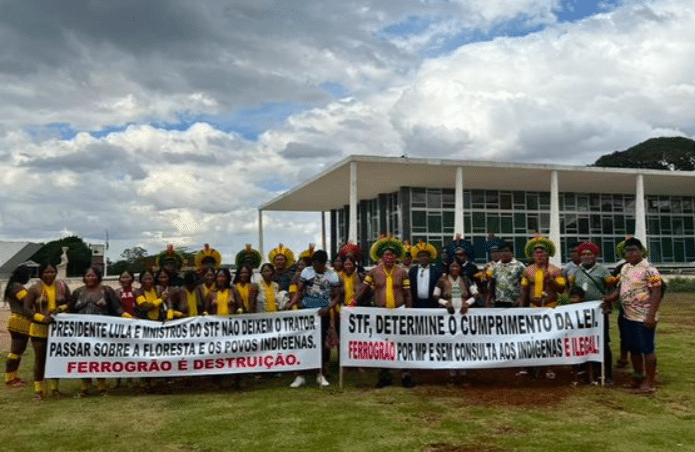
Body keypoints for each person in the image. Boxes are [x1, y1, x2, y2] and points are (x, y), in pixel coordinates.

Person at [603, 237, 663, 394]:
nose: (631, 253)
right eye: (628, 251)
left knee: (647, 349)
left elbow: (657, 292)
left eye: (634, 250)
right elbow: (620, 288)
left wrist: (651, 315)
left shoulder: (649, 269)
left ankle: (649, 382)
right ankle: (637, 377)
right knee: (633, 349)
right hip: (627, 316)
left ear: (641, 251)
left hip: (643, 317)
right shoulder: (625, 268)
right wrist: (609, 299)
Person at [355, 236, 414, 388]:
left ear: (396, 257)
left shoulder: (402, 272)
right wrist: (352, 302)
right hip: (381, 313)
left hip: (399, 312)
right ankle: (384, 375)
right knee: (383, 344)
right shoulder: (373, 272)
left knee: (402, 343)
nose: (390, 257)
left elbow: (407, 294)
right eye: (387, 254)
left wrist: (409, 312)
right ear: (381, 256)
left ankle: (405, 374)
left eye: (392, 255)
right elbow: (363, 288)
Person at [286, 250, 342, 388]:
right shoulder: (306, 272)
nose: (317, 267)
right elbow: (299, 291)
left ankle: (320, 374)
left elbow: (337, 296)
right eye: (315, 264)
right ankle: (300, 375)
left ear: (324, 263)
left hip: (323, 313)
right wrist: (291, 303)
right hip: (306, 312)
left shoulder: (332, 275)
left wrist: (328, 308)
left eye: (320, 265)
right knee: (303, 342)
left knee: (321, 343)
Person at [69, 267, 126, 396]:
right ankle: (84, 386)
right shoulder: (77, 292)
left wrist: (129, 318)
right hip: (81, 333)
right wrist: (58, 313)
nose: (90, 278)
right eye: (88, 276)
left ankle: (101, 386)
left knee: (100, 359)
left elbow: (117, 309)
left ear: (98, 277)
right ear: (84, 277)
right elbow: (70, 309)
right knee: (83, 360)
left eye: (93, 275)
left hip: (101, 333)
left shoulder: (106, 291)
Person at [571, 241, 618, 384]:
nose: (586, 256)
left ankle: (607, 374)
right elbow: (572, 290)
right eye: (583, 254)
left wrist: (608, 301)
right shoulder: (576, 272)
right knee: (583, 342)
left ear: (595, 255)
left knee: (602, 342)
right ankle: (586, 372)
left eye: (589, 254)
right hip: (581, 314)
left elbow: (614, 287)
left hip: (598, 313)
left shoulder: (602, 271)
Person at [520, 236, 565, 379]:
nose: (539, 256)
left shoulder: (556, 270)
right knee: (531, 338)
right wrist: (521, 310)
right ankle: (529, 366)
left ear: (548, 255)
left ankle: (549, 367)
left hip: (550, 309)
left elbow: (562, 289)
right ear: (532, 255)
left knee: (550, 339)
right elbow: (524, 292)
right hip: (533, 308)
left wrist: (551, 280)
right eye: (536, 253)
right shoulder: (528, 271)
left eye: (542, 253)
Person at [24, 262, 71, 399]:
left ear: (56, 273)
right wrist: (41, 318)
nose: (49, 275)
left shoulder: (62, 286)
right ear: (41, 274)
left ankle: (55, 389)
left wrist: (60, 309)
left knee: (56, 358)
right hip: (39, 329)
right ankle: (39, 391)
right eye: (46, 272)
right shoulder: (34, 288)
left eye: (52, 272)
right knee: (40, 359)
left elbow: (70, 302)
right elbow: (26, 308)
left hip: (57, 329)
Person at [4, 265, 33, 388]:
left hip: (16, 320)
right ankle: (10, 379)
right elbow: (27, 301)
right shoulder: (17, 287)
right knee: (16, 351)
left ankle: (12, 376)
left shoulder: (12, 286)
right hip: (20, 322)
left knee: (17, 351)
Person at [487, 242, 525, 308]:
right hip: (499, 302)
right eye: (501, 252)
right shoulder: (495, 267)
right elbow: (492, 284)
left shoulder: (520, 266)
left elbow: (524, 285)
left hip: (514, 302)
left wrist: (520, 299)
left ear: (511, 253)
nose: (504, 253)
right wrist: (489, 299)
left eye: (506, 251)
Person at [408, 241, 441, 309]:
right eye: (421, 256)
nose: (423, 258)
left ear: (429, 258)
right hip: (416, 304)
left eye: (425, 256)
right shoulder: (412, 271)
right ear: (418, 258)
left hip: (432, 304)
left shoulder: (436, 271)